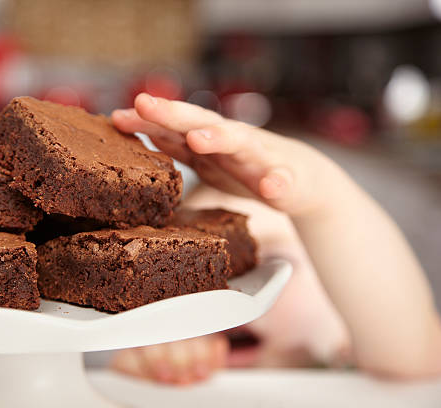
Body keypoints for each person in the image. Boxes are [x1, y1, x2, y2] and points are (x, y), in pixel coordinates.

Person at [107, 93, 441, 385]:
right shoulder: (158, 367)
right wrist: (148, 362)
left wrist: (324, 201)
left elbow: (413, 359)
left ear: (342, 297)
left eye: (270, 263)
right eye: (192, 264)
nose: (227, 284)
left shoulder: (356, 363)